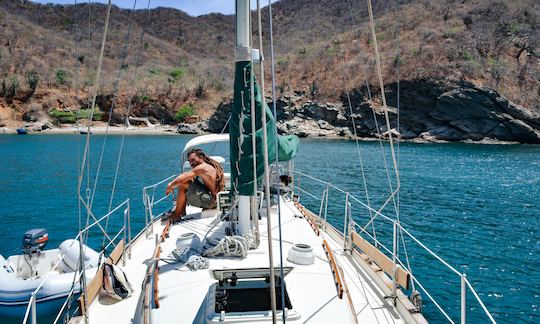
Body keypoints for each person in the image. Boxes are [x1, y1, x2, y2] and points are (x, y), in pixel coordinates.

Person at [165, 148, 225, 221]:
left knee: (182, 184)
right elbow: (187, 176)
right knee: (188, 180)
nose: (191, 163)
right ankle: (182, 211)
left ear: (201, 158)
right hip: (214, 199)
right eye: (189, 161)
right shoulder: (207, 166)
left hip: (211, 202)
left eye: (193, 160)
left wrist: (170, 186)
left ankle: (177, 214)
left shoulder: (202, 167)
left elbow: (182, 179)